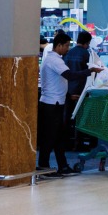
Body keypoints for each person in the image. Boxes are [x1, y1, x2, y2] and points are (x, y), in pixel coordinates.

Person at [37, 33, 76, 177]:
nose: (67, 49)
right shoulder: (54, 60)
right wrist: (89, 71)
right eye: (66, 45)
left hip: (56, 103)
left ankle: (63, 165)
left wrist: (69, 95)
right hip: (51, 105)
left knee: (59, 137)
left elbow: (58, 82)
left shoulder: (55, 59)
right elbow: (69, 76)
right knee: (49, 137)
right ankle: (43, 167)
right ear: (59, 45)